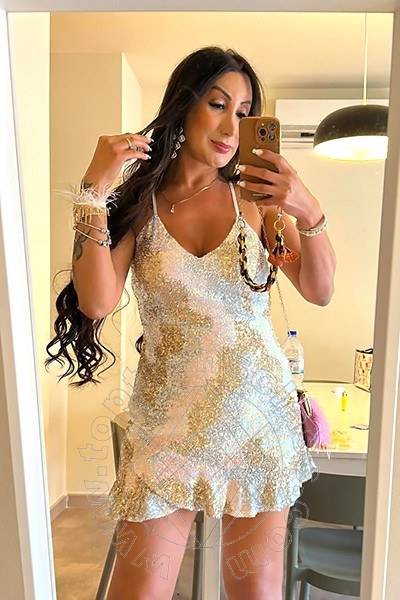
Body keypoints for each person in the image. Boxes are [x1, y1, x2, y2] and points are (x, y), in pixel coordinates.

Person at [46, 46, 336, 600]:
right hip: (166, 425)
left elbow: (318, 290)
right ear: (184, 105)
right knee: (138, 592)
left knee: (255, 590)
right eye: (218, 105)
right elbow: (97, 301)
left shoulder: (258, 199)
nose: (231, 127)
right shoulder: (141, 203)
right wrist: (92, 193)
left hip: (258, 418)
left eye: (244, 113)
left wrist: (308, 209)